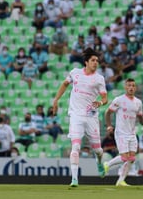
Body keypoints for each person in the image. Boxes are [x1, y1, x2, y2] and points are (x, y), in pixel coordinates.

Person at [52, 48, 108, 187]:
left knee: (98, 150)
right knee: (75, 146)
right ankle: (74, 179)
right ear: (86, 62)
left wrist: (100, 102)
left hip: (91, 116)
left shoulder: (99, 79)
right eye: (93, 60)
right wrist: (56, 100)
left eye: (97, 61)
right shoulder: (75, 73)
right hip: (76, 115)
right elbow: (65, 84)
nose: (96, 63)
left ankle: (99, 162)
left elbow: (105, 98)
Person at [103, 78, 143, 187]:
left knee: (132, 158)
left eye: (133, 85)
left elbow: (140, 116)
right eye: (129, 85)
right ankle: (107, 164)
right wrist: (109, 125)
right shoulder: (119, 100)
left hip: (132, 134)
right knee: (124, 158)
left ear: (135, 88)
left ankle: (121, 181)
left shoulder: (138, 102)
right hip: (121, 133)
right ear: (125, 87)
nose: (131, 88)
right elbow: (107, 113)